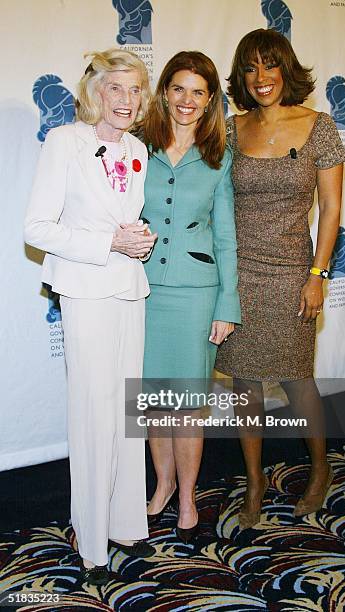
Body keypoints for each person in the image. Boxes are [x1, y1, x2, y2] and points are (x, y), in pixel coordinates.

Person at [24, 48, 157, 585]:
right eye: (116, 89)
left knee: (127, 410)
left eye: (135, 90)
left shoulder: (140, 150)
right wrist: (110, 243)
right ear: (96, 93)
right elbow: (37, 227)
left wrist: (138, 240)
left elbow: (125, 220)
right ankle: (90, 534)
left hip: (129, 289)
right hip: (86, 290)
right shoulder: (64, 143)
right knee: (92, 413)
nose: (126, 101)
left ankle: (125, 523)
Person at [216, 29, 345, 530]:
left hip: (294, 271)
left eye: (269, 66)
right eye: (249, 68)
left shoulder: (319, 126)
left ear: (285, 68)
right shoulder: (230, 129)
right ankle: (254, 482)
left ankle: (320, 469)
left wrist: (317, 274)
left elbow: (332, 209)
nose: (260, 77)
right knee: (244, 384)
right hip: (236, 273)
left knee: (298, 381)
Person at [141, 51, 241, 543]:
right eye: (178, 88)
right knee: (155, 403)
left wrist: (228, 304)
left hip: (196, 294)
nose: (187, 100)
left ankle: (187, 498)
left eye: (198, 92)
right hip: (140, 291)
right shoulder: (138, 149)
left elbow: (226, 237)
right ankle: (160, 487)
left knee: (187, 407)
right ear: (164, 92)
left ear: (209, 101)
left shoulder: (218, 157)